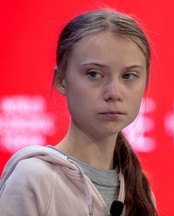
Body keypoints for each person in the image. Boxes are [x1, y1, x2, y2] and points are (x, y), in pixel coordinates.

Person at [0, 9, 158, 216]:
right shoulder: (32, 178)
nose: (114, 93)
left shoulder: (139, 189)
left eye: (128, 75)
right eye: (94, 74)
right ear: (61, 80)